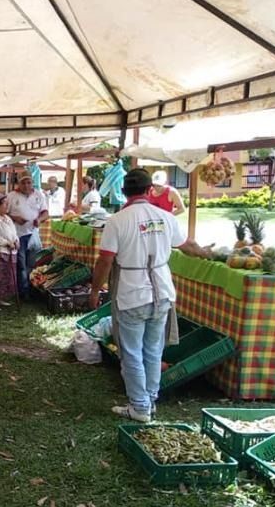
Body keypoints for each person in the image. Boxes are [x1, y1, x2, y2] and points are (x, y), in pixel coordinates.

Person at [90, 169, 212, 423]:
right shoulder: (165, 217)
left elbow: (105, 261)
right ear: (149, 191)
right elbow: (188, 245)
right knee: (153, 351)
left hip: (132, 293)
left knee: (132, 352)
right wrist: (206, 253)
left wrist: (94, 289)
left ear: (124, 192)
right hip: (163, 292)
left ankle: (140, 406)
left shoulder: (117, 220)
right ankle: (150, 401)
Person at [8, 173, 48, 299]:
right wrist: (15, 218)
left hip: (33, 235)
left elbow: (45, 213)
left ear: (32, 183)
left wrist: (40, 220)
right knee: (21, 265)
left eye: (29, 182)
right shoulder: (11, 196)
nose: (26, 185)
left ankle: (33, 290)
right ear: (18, 184)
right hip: (18, 234)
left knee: (33, 264)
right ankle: (23, 293)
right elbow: (3, 213)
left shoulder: (38, 194)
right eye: (23, 183)